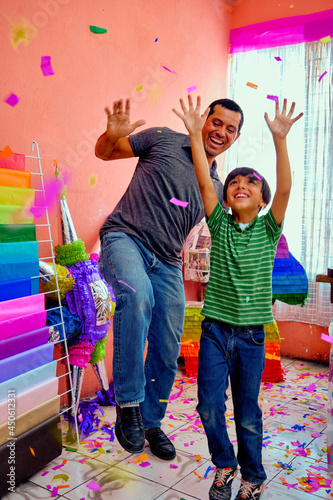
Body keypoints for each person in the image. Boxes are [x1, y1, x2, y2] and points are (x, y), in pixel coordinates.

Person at [95, 97, 243, 459]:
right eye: (217, 122)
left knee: (168, 339)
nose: (221, 132)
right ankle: (128, 404)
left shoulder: (214, 183)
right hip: (124, 238)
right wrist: (109, 135)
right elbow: (105, 153)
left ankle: (150, 422)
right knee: (138, 295)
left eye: (230, 129)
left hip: (166, 259)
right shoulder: (161, 137)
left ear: (235, 138)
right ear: (204, 118)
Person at [173, 95, 302, 499]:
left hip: (250, 339)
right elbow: (201, 178)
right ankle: (224, 464)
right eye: (234, 182)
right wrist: (196, 134)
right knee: (208, 407)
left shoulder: (268, 230)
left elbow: (285, 186)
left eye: (251, 183)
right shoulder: (220, 224)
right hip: (214, 331)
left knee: (247, 414)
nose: (241, 185)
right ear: (226, 198)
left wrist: (279, 139)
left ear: (262, 201)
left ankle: (252, 475)